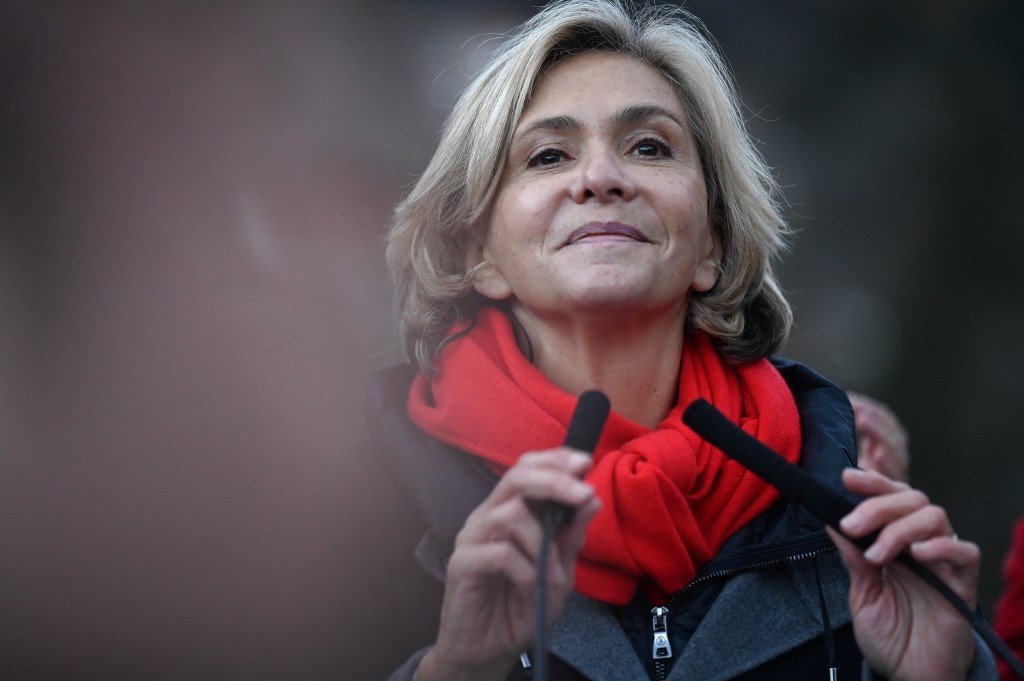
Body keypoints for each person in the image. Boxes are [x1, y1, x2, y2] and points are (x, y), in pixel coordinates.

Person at [368, 1, 993, 678]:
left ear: (713, 244)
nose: (601, 178)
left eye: (649, 147)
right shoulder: (361, 496)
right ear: (477, 255)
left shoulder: (850, 505)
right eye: (548, 155)